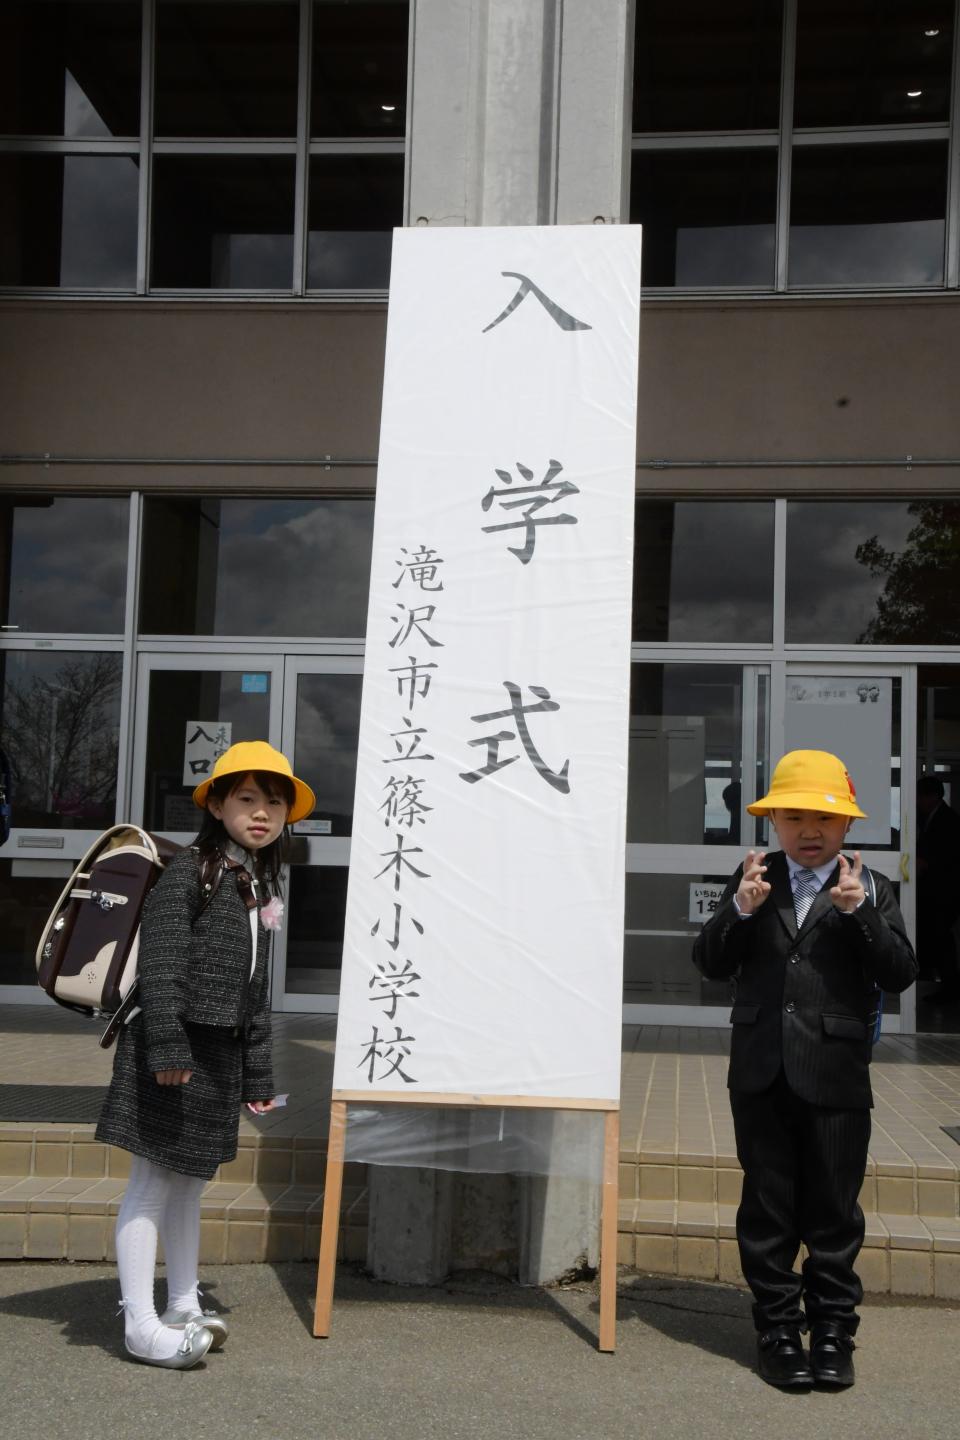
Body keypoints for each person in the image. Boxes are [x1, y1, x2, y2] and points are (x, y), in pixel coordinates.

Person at [693, 750, 916, 1391]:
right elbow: (708, 961)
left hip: (837, 1074)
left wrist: (858, 914)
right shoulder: (752, 877)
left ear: (846, 825)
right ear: (775, 823)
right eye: (794, 817)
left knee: (833, 1212)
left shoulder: (872, 889)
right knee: (767, 1208)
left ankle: (833, 1333)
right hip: (760, 1070)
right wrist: (739, 909)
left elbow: (900, 972)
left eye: (823, 817)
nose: (809, 830)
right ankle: (777, 1331)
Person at [96, 741, 315, 1368]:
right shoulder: (192, 870)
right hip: (173, 1046)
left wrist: (257, 1073)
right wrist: (166, 1041)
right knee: (152, 1181)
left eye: (274, 803)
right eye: (246, 799)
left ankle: (184, 1303)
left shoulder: (253, 882)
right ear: (215, 803)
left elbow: (253, 991)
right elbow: (160, 962)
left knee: (190, 1182)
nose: (261, 814)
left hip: (215, 1053)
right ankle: (140, 1322)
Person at [916, 775, 960, 1003]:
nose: (916, 801)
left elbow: (947, 857)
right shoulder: (929, 818)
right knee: (935, 937)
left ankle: (949, 987)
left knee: (940, 937)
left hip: (944, 893)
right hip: (934, 893)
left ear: (932, 797)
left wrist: (924, 863)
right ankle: (940, 984)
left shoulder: (947, 821)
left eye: (920, 796)